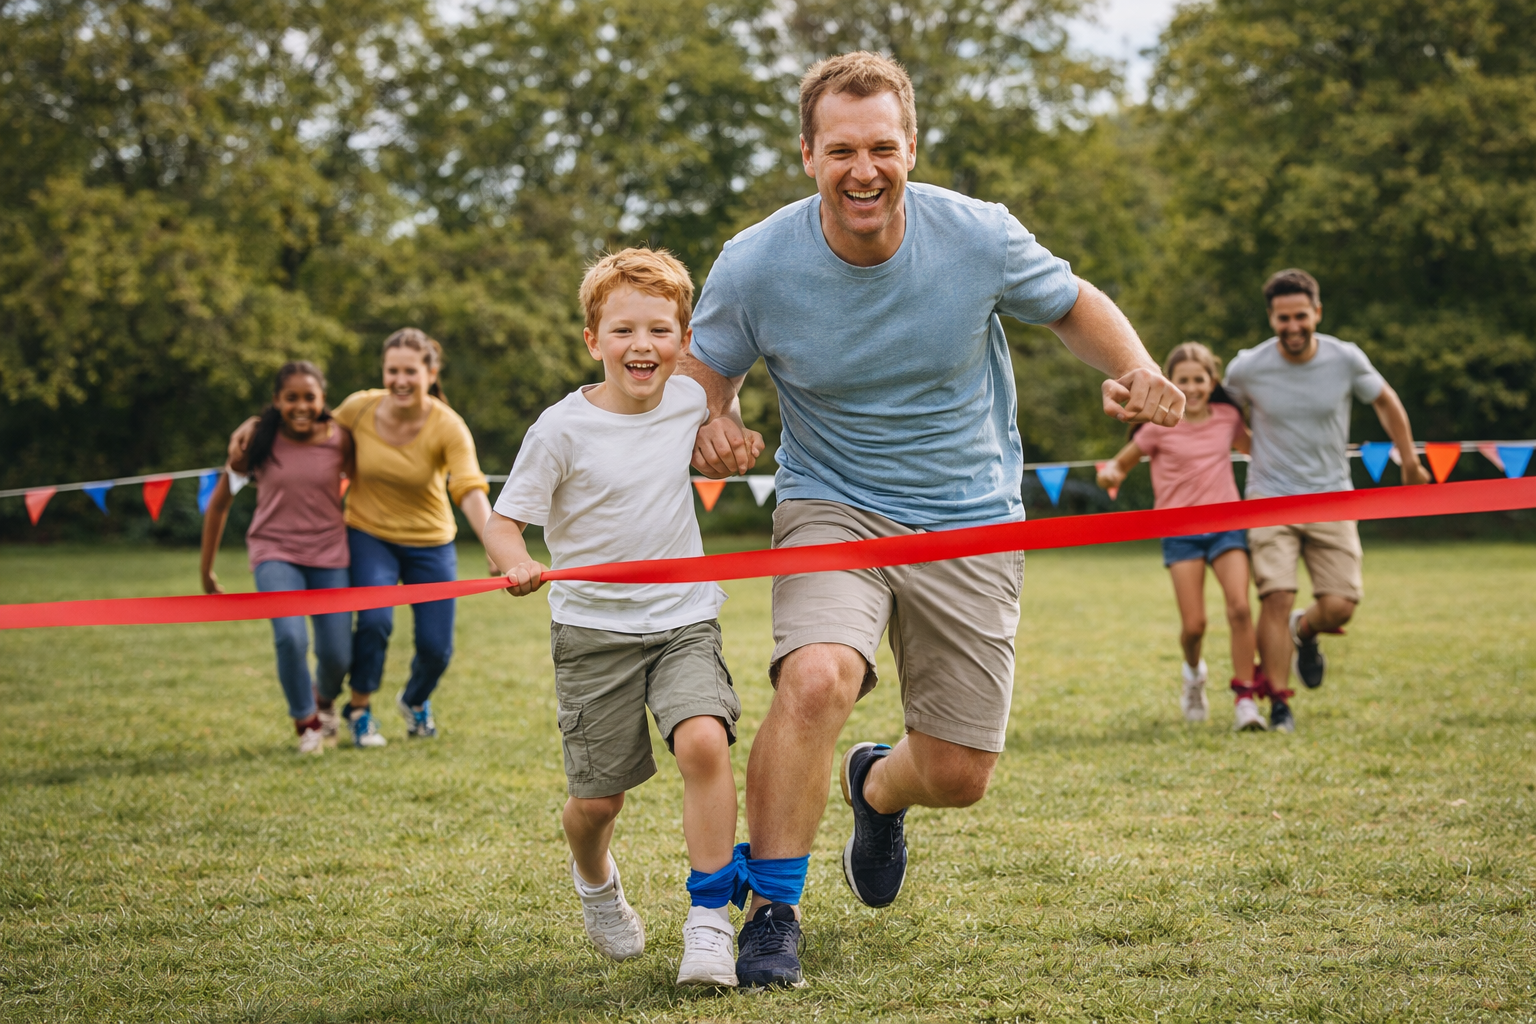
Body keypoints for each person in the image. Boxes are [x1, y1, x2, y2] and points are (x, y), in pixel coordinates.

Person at [680, 51, 1186, 988]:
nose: (862, 169)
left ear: (911, 146)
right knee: (818, 676)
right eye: (841, 150)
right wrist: (711, 418)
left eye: (882, 146)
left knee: (958, 773)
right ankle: (772, 910)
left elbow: (1072, 305)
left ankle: (875, 785)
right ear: (807, 155)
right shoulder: (756, 262)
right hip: (833, 499)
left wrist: (1136, 367)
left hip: (969, 512)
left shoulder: (977, 235)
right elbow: (704, 368)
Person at [483, 248, 759, 987]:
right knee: (597, 801)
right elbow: (504, 521)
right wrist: (514, 561)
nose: (644, 345)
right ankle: (595, 880)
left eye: (662, 330)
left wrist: (733, 429)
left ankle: (708, 925)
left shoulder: (686, 400)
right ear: (593, 340)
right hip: (593, 633)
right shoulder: (560, 430)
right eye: (624, 330)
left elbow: (723, 410)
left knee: (705, 741)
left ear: (683, 338)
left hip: (683, 620)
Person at [231, 330, 493, 748]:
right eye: (393, 370)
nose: (401, 380)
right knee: (373, 622)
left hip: (431, 541)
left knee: (436, 647)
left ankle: (415, 700)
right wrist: (256, 424)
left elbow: (468, 487)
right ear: (383, 372)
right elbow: (305, 422)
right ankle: (360, 711)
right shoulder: (358, 408)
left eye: (410, 371)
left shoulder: (448, 425)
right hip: (370, 534)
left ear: (430, 372)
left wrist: (493, 540)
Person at [1222, 269, 1428, 732]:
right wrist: (1249, 449)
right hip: (1269, 499)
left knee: (1340, 605)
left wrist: (1410, 463)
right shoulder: (1247, 367)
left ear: (1317, 312)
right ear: (1270, 318)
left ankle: (1305, 631)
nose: (1292, 326)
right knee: (1275, 595)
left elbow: (1386, 400)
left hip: (1332, 497)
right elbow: (1222, 415)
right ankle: (1280, 703)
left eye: (1300, 316)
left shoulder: (1345, 358)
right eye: (1282, 318)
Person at [1097, 343, 1263, 731]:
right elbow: (1119, 466)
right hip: (1180, 533)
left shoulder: (1228, 418)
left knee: (1240, 608)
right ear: (1172, 383)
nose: (1193, 386)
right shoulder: (1157, 427)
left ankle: (1245, 699)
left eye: (1199, 379)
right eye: (1183, 379)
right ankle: (1193, 676)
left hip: (1227, 525)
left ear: (1212, 381)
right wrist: (1110, 476)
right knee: (1195, 626)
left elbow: (1258, 452)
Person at [201, 361, 354, 755]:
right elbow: (218, 505)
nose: (300, 406)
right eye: (291, 398)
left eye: (309, 397)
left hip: (330, 554)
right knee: (290, 637)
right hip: (275, 552)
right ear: (276, 401)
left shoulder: (341, 439)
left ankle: (324, 699)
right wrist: (206, 570)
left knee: (337, 653)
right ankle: (306, 723)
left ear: (323, 400)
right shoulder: (258, 440)